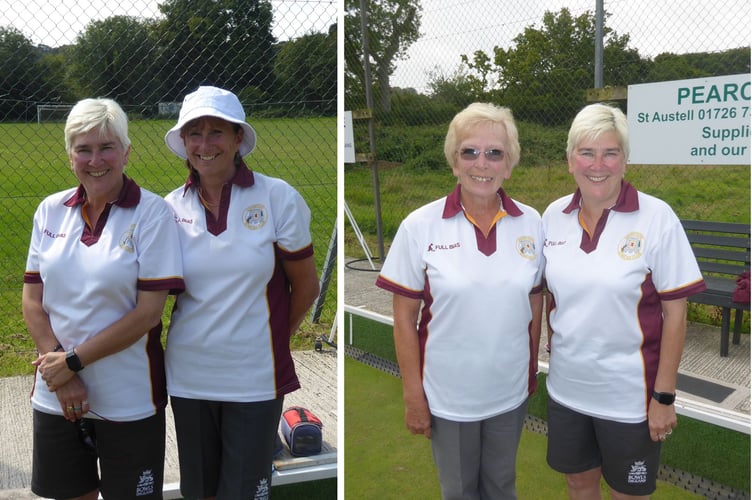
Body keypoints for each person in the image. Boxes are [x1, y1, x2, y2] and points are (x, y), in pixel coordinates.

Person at [375, 102, 544, 499]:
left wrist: (531, 367)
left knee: (502, 487)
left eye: (494, 153)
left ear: (509, 164)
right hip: (448, 397)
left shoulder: (533, 223)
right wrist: (413, 394)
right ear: (454, 162)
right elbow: (404, 320)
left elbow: (535, 303)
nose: (481, 163)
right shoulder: (420, 226)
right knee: (460, 492)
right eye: (469, 151)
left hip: (509, 392)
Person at [22, 98, 185, 500]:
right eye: (84, 149)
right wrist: (61, 374)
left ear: (127, 151)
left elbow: (148, 313)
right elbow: (32, 301)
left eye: (107, 147)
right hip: (56, 393)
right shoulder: (49, 211)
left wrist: (73, 363)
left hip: (127, 396)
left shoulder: (152, 214)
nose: (96, 160)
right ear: (69, 155)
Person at [542, 103, 707, 499]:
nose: (598, 164)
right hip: (567, 390)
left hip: (630, 398)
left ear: (625, 161)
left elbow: (675, 313)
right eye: (587, 152)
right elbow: (546, 298)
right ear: (569, 160)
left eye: (610, 153)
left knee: (628, 494)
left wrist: (664, 396)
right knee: (579, 484)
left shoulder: (657, 217)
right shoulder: (551, 216)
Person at [163, 85, 320, 500]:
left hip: (255, 377)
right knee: (200, 492)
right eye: (194, 134)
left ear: (237, 139)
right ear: (183, 143)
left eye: (216, 132)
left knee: (246, 493)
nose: (204, 144)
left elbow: (306, 285)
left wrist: (272, 340)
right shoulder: (169, 208)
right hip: (189, 375)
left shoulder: (277, 196)